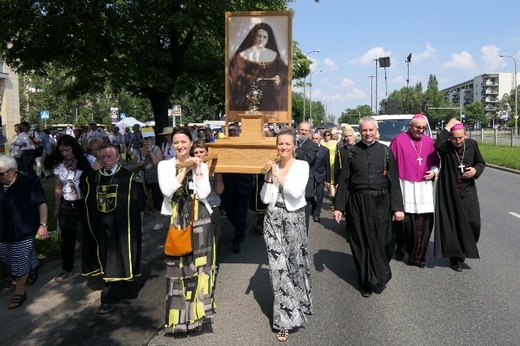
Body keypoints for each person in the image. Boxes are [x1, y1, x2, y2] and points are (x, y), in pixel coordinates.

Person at [333, 116, 404, 297]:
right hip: (357, 202)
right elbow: (345, 181)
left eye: (371, 130)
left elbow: (394, 181)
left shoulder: (386, 151)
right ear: (360, 131)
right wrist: (339, 207)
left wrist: (398, 207)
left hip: (382, 202)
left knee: (386, 241)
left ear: (376, 131)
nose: (368, 133)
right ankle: (365, 281)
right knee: (361, 242)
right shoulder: (351, 152)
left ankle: (379, 271)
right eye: (364, 130)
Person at [158, 127, 216, 334]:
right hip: (177, 220)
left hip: (200, 219)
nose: (180, 146)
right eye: (176, 143)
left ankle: (197, 318)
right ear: (172, 145)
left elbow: (203, 194)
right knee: (178, 270)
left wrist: (198, 169)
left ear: (191, 143)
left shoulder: (200, 165)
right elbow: (166, 190)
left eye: (184, 142)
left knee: (199, 270)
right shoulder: (165, 165)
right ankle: (179, 321)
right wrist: (183, 169)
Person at [260, 129, 313, 342]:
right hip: (272, 219)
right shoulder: (273, 167)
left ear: (294, 146)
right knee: (278, 269)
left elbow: (295, 192)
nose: (283, 147)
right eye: (280, 144)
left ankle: (300, 303)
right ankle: (284, 321)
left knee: (295, 265)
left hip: (294, 219)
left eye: (287, 144)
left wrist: (278, 175)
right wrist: (267, 178)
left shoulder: (301, 166)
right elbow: (265, 199)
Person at [82, 144, 142, 314]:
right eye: (102, 157)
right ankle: (115, 285)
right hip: (101, 227)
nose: (105, 161)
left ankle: (107, 296)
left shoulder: (127, 178)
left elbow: (133, 205)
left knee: (115, 259)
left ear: (118, 158)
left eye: (109, 157)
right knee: (105, 258)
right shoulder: (92, 179)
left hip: (120, 228)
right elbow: (90, 204)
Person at [434, 118, 485, 272]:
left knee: (473, 223)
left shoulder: (472, 145)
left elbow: (481, 163)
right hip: (450, 191)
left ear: (465, 135)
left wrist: (476, 171)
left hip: (468, 191)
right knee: (454, 226)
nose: (457, 141)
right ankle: (455, 257)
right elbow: (437, 144)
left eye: (460, 138)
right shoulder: (446, 147)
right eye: (454, 138)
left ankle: (465, 247)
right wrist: (448, 126)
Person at [389, 114, 439, 268]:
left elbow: (436, 162)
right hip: (406, 186)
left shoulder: (430, 142)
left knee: (422, 225)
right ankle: (402, 246)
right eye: (418, 127)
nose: (421, 130)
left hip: (424, 188)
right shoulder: (399, 140)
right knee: (404, 225)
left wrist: (434, 172)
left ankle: (417, 257)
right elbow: (390, 163)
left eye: (423, 128)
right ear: (410, 126)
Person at [0, 154, 48, 309]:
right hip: (3, 230)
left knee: (19, 263)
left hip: (24, 229)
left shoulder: (29, 183)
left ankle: (20, 292)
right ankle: (33, 265)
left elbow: (42, 204)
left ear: (13, 170)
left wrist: (43, 225)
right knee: (6, 257)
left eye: (1, 173)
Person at [52, 135, 93, 281]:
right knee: (67, 238)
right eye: (62, 151)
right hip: (67, 203)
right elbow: (58, 187)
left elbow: (98, 178)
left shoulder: (88, 160)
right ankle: (67, 267)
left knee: (89, 233)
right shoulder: (59, 165)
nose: (65, 154)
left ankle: (92, 265)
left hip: (84, 202)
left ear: (74, 148)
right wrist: (57, 207)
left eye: (67, 150)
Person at [229, 22, 288, 112]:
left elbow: (283, 68)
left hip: (270, 97)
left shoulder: (273, 55)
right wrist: (253, 79)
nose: (261, 39)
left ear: (268, 39)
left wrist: (279, 76)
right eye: (259, 36)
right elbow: (235, 72)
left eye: (264, 37)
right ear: (253, 37)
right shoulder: (241, 55)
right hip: (249, 95)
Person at [220, 123, 252, 253]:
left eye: (234, 130)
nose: (232, 132)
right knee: (229, 212)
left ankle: (237, 240)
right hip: (228, 186)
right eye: (230, 131)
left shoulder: (246, 145)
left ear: (239, 132)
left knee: (241, 214)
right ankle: (241, 228)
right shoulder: (222, 145)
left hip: (243, 185)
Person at [193, 139, 224, 252]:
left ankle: (212, 264)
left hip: (212, 206)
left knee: (214, 238)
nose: (199, 155)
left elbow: (219, 190)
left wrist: (218, 173)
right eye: (196, 152)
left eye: (201, 152)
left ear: (207, 152)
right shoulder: (191, 167)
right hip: (196, 207)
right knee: (199, 239)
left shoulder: (213, 167)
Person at [295, 122, 319, 232]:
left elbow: (307, 160)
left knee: (303, 218)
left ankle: (302, 245)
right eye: (301, 130)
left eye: (306, 130)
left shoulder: (313, 146)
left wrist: (294, 149)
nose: (303, 132)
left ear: (310, 132)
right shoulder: (293, 142)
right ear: (298, 130)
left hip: (305, 185)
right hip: (291, 184)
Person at [140, 128, 165, 231]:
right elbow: (138, 166)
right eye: (145, 139)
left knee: (157, 200)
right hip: (145, 178)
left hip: (155, 179)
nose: (147, 141)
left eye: (149, 138)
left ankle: (159, 221)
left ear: (153, 139)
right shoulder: (140, 150)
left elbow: (158, 163)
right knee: (141, 201)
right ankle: (139, 224)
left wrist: (150, 152)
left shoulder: (156, 149)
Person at [311, 132, 330, 223]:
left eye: (316, 138)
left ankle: (317, 214)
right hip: (310, 175)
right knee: (310, 194)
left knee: (319, 195)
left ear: (320, 139)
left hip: (321, 175)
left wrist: (328, 180)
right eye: (313, 138)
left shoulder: (325, 150)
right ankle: (314, 206)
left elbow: (327, 165)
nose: (315, 140)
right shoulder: (308, 149)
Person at [320, 129, 337, 199]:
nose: (327, 136)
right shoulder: (322, 143)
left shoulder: (335, 142)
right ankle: (331, 193)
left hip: (333, 161)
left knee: (332, 178)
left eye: (328, 135)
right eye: (325, 135)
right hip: (325, 161)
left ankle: (332, 194)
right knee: (328, 178)